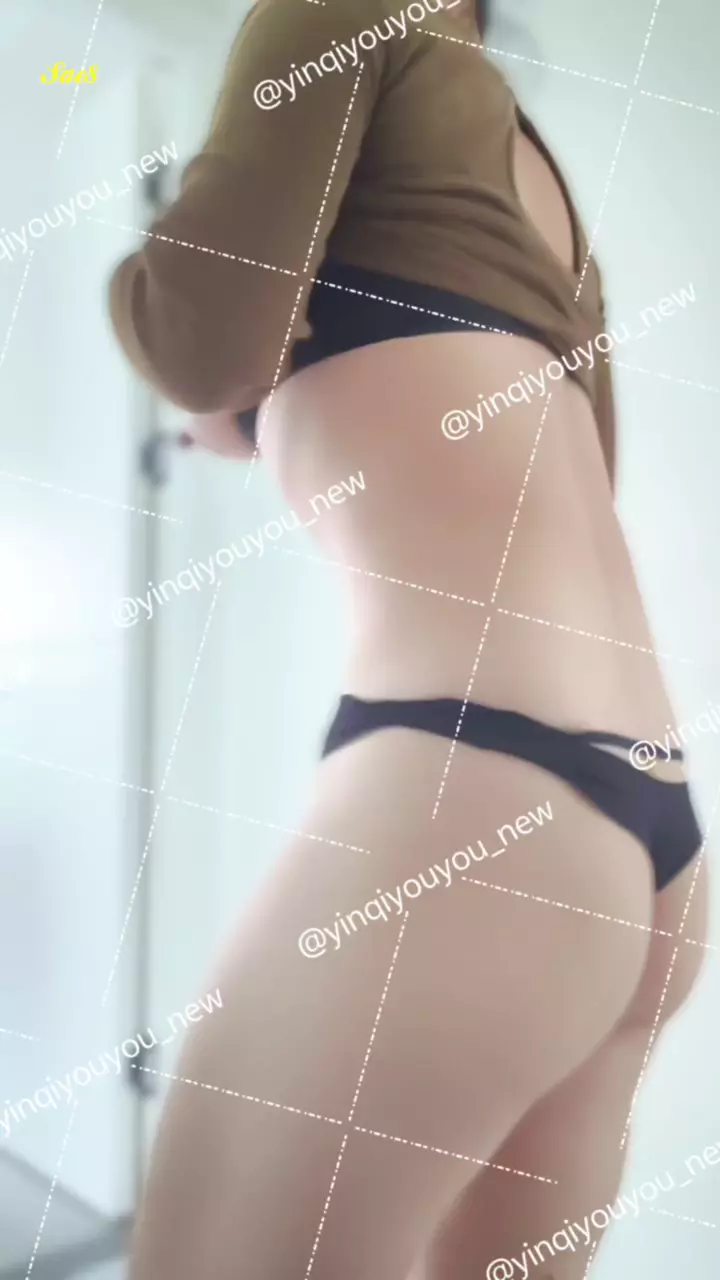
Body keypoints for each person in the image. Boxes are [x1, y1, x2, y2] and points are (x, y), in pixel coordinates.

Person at [108, 0, 709, 1276]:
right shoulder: (530, 164)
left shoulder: (336, 12)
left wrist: (158, 300)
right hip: (645, 840)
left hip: (476, 788)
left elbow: (200, 338)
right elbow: (570, 461)